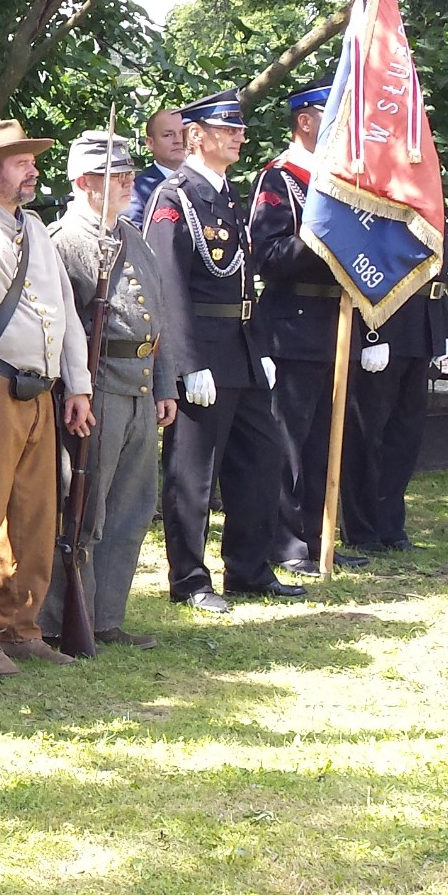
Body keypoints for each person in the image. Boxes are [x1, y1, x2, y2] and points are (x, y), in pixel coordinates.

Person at [0, 119, 94, 672]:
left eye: (31, 160)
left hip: (41, 390)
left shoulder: (34, 230)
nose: (32, 170)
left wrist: (77, 384)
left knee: (34, 514)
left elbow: (66, 314)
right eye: (20, 162)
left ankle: (21, 626)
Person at [145, 90, 303, 611]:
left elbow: (242, 280)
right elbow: (167, 283)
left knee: (259, 460)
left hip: (240, 346)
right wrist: (186, 364)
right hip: (203, 354)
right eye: (227, 128)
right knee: (192, 474)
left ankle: (249, 569)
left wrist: (258, 347)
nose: (238, 136)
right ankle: (189, 579)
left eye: (239, 128)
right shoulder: (176, 197)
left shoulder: (226, 194)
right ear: (196, 135)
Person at [37, 130, 182, 649]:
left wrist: (163, 384)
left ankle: (106, 617)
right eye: (113, 177)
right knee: (83, 508)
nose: (125, 184)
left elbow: (155, 317)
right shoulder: (63, 243)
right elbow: (60, 328)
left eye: (126, 175)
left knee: (132, 506)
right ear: (82, 182)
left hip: (139, 388)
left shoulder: (132, 236)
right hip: (96, 391)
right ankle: (62, 619)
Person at [247, 85, 371, 577]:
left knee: (325, 439)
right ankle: (286, 540)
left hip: (335, 321)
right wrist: (318, 238)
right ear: (305, 121)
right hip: (292, 323)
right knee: (291, 441)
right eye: (332, 114)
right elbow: (269, 255)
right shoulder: (280, 178)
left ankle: (319, 537)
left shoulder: (339, 182)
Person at [342, 274, 448, 553]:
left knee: (404, 438)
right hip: (387, 328)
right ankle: (362, 529)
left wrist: (442, 327)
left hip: (421, 325)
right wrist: (371, 334)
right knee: (366, 435)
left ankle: (390, 526)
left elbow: (437, 270)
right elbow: (367, 267)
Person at [127, 103, 189, 226]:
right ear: (150, 143)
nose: (178, 140)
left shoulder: (204, 183)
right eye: (168, 135)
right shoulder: (137, 191)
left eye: (183, 133)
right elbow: (134, 240)